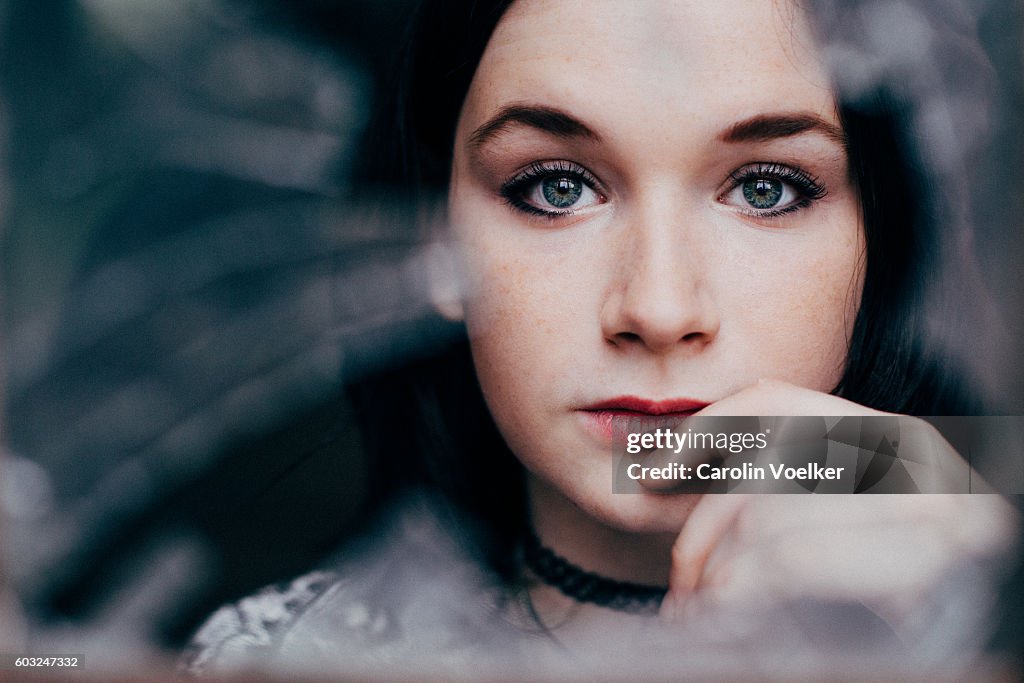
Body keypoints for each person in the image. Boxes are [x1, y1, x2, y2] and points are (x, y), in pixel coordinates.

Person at [180, 0, 1017, 678]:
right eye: (556, 187)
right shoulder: (280, 661)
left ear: (877, 244)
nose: (656, 307)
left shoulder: (984, 610)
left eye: (766, 188)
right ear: (428, 247)